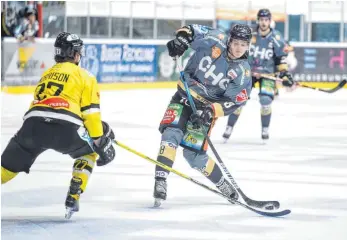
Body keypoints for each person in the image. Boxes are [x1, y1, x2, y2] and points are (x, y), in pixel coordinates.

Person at [1, 32, 116, 218]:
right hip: (65, 128)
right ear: (74, 53)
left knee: (5, 169)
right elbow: (90, 114)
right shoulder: (85, 75)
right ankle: (74, 192)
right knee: (88, 153)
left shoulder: (47, 73)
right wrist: (99, 140)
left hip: (33, 126)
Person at [153, 24, 253, 206]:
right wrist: (181, 40)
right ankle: (160, 181)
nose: (238, 48)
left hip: (204, 111)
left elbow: (235, 102)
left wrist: (210, 111)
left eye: (243, 44)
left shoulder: (243, 73)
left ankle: (222, 183)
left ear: (248, 46)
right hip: (183, 98)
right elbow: (190, 30)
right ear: (229, 40)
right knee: (170, 134)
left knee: (194, 156)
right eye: (236, 42)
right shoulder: (215, 38)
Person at [222, 9, 295, 141]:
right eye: (261, 19)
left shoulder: (276, 37)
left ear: (269, 21)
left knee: (265, 100)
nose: (263, 22)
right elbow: (238, 49)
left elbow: (281, 58)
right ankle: (229, 127)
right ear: (258, 20)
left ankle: (265, 128)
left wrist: (285, 74)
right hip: (248, 73)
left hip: (267, 74)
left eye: (266, 20)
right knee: (239, 100)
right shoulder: (250, 35)